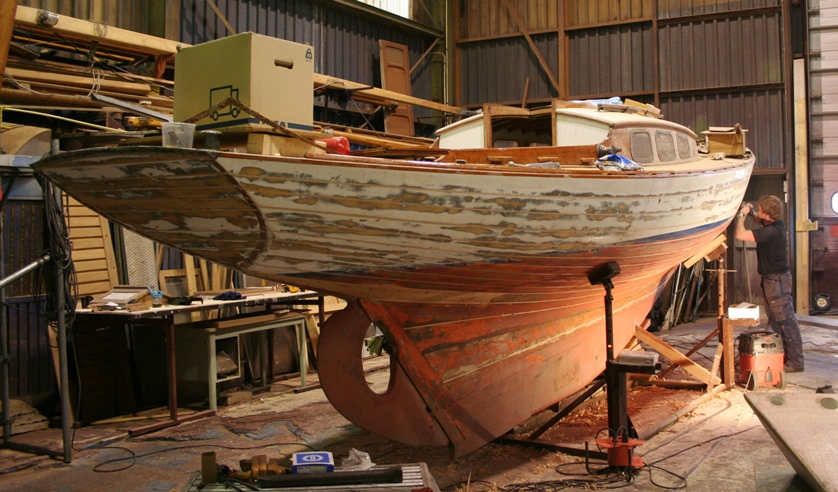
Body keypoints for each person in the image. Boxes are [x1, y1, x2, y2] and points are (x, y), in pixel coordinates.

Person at [734, 195, 804, 372]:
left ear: (766, 214)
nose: (759, 211)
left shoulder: (771, 232)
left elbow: (740, 234)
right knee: (776, 320)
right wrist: (752, 213)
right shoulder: (776, 224)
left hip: (776, 282)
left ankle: (796, 362)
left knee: (786, 321)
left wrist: (742, 215)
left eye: (760, 209)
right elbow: (761, 220)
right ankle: (784, 356)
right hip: (773, 280)